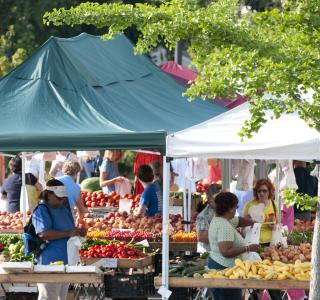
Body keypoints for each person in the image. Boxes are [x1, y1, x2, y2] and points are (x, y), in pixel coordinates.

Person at [32, 179, 86, 300]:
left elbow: (71, 229)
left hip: (66, 262)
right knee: (48, 296)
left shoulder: (64, 208)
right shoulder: (41, 210)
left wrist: (79, 231)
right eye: (59, 198)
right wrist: (67, 233)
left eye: (63, 198)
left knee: (61, 297)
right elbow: (43, 233)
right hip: (49, 263)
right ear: (49, 195)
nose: (62, 200)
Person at [208, 192, 259, 300]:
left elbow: (239, 221)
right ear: (231, 208)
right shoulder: (224, 226)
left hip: (219, 266)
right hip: (224, 270)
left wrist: (253, 223)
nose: (236, 209)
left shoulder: (220, 219)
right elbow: (225, 251)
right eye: (236, 207)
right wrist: (248, 248)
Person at [243, 178, 278, 245]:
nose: (261, 193)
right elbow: (243, 226)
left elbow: (277, 223)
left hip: (270, 241)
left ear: (269, 191)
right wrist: (249, 221)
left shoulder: (274, 204)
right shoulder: (249, 205)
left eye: (264, 191)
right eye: (259, 191)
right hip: (253, 241)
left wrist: (273, 226)